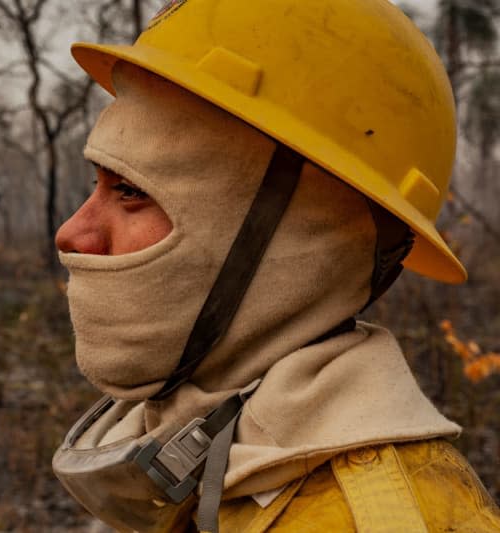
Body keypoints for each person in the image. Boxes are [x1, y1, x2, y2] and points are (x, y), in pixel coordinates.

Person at [51, 0, 500, 532]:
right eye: (97, 183)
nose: (72, 233)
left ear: (301, 238)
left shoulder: (376, 520)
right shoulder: (196, 443)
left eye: (131, 190)